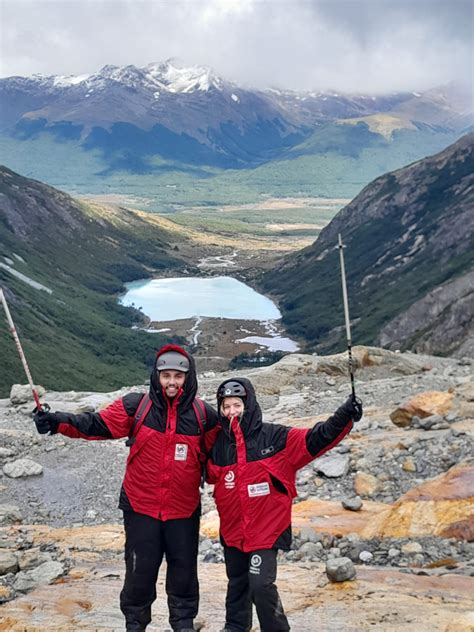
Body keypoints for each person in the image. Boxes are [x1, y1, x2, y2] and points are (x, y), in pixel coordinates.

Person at [33, 344, 219, 632]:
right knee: (139, 575)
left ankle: (183, 625)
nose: (171, 382)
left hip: (183, 510)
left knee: (183, 576)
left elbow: (219, 458)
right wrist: (56, 422)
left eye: (178, 376)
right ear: (156, 376)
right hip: (140, 507)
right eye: (165, 375)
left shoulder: (204, 417)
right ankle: (135, 625)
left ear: (188, 377)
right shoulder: (137, 407)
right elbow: (95, 425)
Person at [207, 377, 363, 632]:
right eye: (226, 407)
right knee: (237, 583)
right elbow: (202, 470)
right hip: (233, 531)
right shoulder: (219, 445)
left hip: (266, 530)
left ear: (249, 404)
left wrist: (345, 415)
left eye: (236, 405)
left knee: (260, 585)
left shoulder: (276, 437)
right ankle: (235, 627)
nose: (231, 412)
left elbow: (316, 438)